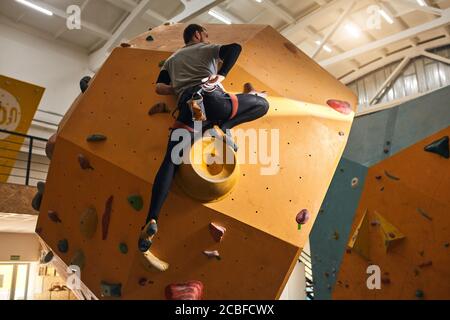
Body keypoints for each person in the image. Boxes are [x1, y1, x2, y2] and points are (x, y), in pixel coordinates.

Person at [139, 24, 269, 270]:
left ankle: (152, 217)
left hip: (190, 109)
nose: (207, 38)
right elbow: (234, 48)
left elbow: (159, 88)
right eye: (206, 34)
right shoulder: (203, 48)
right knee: (261, 104)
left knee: (170, 161)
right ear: (197, 35)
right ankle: (224, 125)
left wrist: (177, 88)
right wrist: (220, 76)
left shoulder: (172, 60)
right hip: (212, 99)